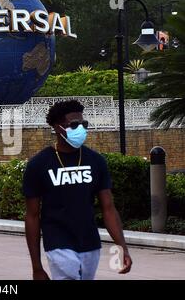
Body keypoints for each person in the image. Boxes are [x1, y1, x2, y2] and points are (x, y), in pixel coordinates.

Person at [23, 100, 132, 280]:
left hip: (89, 242)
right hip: (57, 241)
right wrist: (36, 267)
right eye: (74, 125)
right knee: (69, 273)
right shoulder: (39, 165)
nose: (80, 129)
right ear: (58, 128)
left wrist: (122, 248)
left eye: (83, 124)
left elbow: (108, 208)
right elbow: (32, 215)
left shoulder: (96, 161)